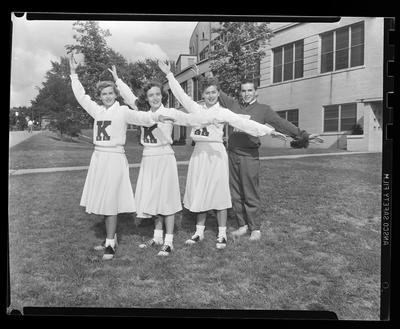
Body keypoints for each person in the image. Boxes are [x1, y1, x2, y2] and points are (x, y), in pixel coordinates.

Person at [158, 60, 287, 249]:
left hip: (216, 153)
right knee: (199, 190)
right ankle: (199, 231)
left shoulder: (224, 112)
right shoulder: (196, 109)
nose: (210, 96)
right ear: (202, 95)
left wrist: (268, 131)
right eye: (207, 93)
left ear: (218, 94)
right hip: (199, 153)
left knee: (219, 193)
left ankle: (222, 233)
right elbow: (181, 95)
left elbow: (244, 123)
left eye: (213, 92)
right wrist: (169, 75)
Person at [108, 66, 224, 256]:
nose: (155, 98)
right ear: (146, 98)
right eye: (151, 95)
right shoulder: (142, 112)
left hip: (165, 158)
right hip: (148, 159)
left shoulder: (170, 112)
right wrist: (118, 80)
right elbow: (129, 97)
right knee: (154, 198)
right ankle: (157, 236)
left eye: (157, 94)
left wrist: (210, 119)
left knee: (167, 200)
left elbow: (190, 119)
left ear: (162, 95)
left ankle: (169, 242)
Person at [68, 54, 175, 260]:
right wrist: (73, 74)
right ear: (99, 96)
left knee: (110, 201)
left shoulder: (123, 111)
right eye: (104, 93)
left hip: (115, 158)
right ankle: (112, 238)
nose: (107, 96)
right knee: (101, 200)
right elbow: (81, 97)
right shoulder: (97, 111)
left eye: (110, 93)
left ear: (116, 95)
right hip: (98, 158)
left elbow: (141, 115)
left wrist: (156, 115)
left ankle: (110, 244)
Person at [218, 78, 324, 241]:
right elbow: (217, 90)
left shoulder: (264, 109)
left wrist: (304, 135)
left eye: (250, 90)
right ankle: (242, 225)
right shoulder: (233, 105)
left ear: (256, 92)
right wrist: (207, 77)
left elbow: (281, 124)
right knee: (236, 192)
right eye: (244, 91)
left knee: (250, 191)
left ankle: (255, 228)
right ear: (240, 92)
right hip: (232, 154)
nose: (246, 94)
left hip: (249, 155)